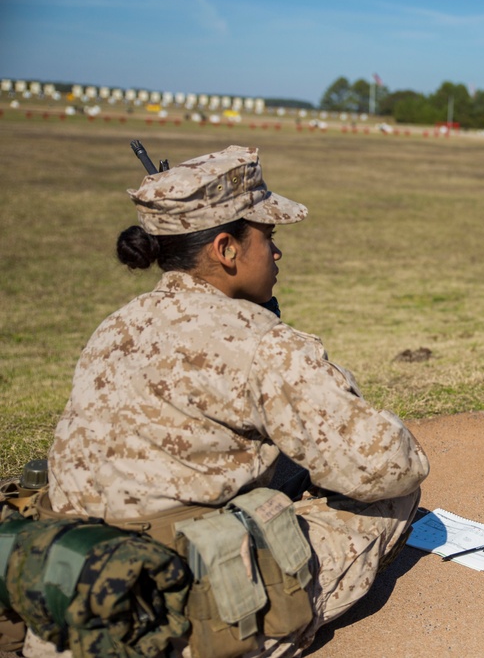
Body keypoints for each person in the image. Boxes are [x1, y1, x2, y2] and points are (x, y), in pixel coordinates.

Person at [25, 145, 429, 656]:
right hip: (177, 628)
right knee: (391, 498)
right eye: (269, 236)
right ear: (226, 248)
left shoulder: (116, 325)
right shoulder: (261, 342)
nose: (277, 253)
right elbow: (391, 465)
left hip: (69, 596)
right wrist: (328, 377)